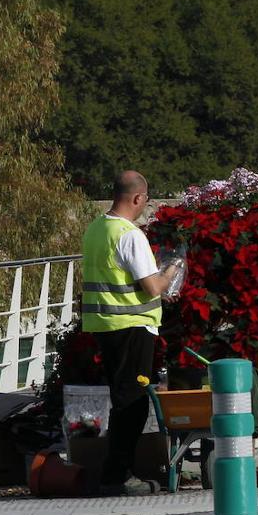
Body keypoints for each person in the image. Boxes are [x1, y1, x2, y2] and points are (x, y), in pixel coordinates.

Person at [81, 171, 183, 495]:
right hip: (131, 327)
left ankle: (116, 471)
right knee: (132, 403)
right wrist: (171, 272)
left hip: (104, 325)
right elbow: (152, 287)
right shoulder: (129, 235)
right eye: (146, 200)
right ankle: (116, 476)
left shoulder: (96, 229)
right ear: (138, 198)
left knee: (122, 399)